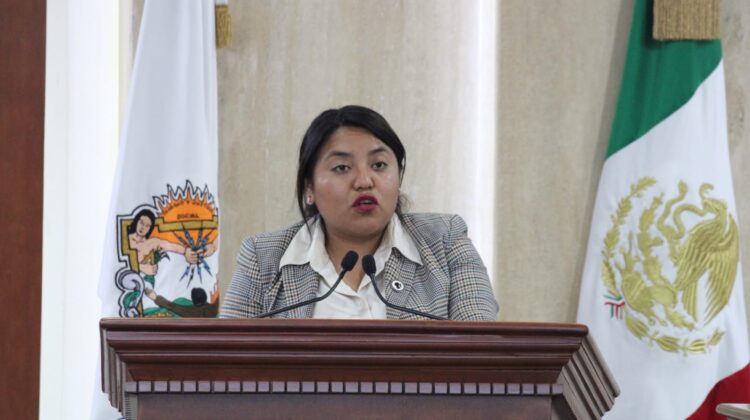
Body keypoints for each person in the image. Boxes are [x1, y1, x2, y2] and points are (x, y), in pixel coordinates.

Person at [221, 105, 498, 320]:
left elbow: (480, 351)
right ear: (309, 187)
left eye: (379, 165)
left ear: (398, 176)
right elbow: (227, 361)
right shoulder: (264, 258)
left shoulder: (444, 242)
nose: (364, 181)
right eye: (342, 168)